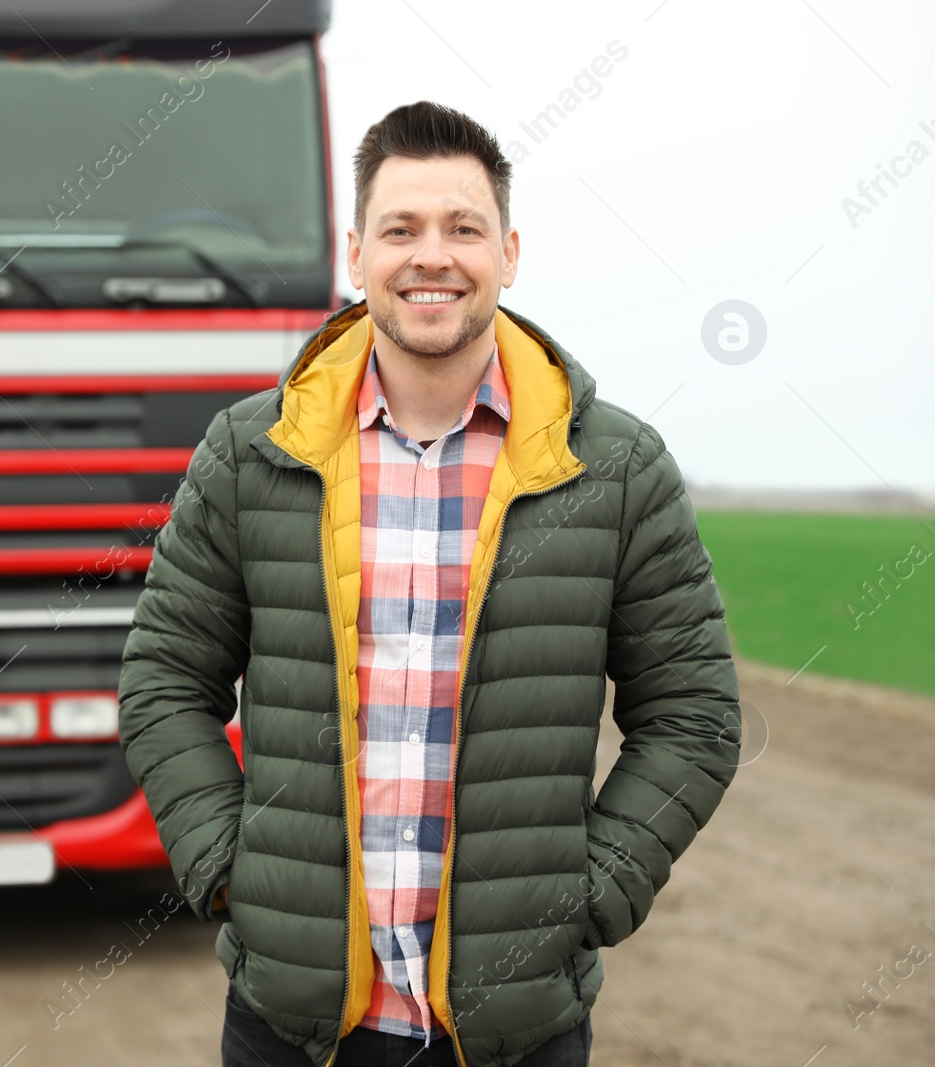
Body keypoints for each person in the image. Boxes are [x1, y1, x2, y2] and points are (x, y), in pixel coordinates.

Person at [117, 100, 741, 1067]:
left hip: (513, 1029)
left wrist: (589, 894)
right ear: (356, 251)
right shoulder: (249, 454)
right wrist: (232, 870)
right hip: (293, 1023)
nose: (432, 256)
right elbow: (163, 678)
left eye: (464, 228)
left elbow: (694, 715)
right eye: (402, 229)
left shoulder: (617, 469)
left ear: (511, 251)